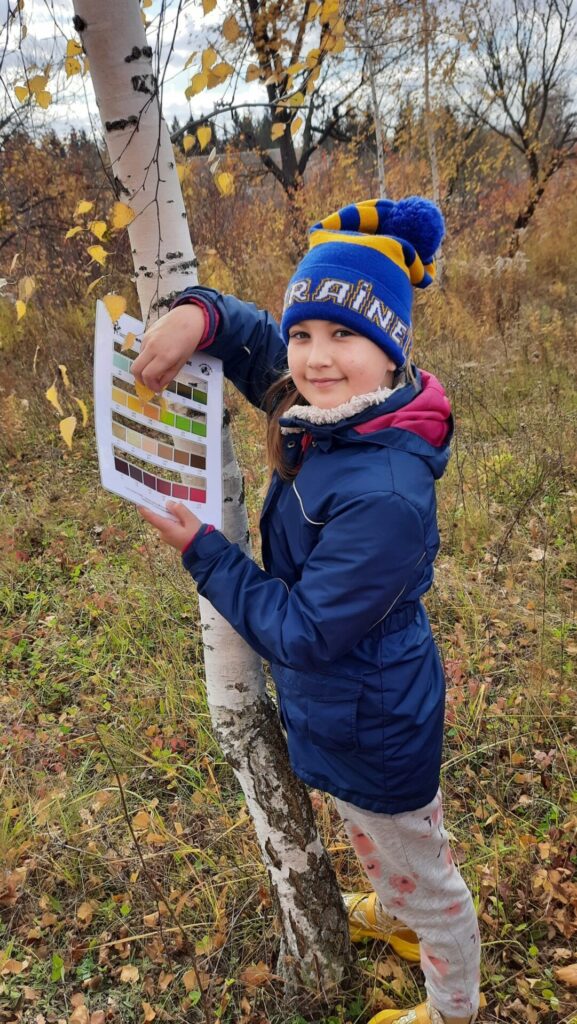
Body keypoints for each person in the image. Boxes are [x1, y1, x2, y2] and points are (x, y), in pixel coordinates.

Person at [132, 197, 481, 1024]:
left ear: (390, 348)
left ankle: (452, 1004)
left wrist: (204, 553)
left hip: (374, 723)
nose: (316, 359)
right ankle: (397, 913)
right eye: (305, 333)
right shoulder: (329, 409)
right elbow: (254, 341)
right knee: (379, 845)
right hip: (347, 713)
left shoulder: (387, 493)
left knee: (424, 878)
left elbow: (304, 630)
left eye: (344, 337)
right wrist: (197, 314)